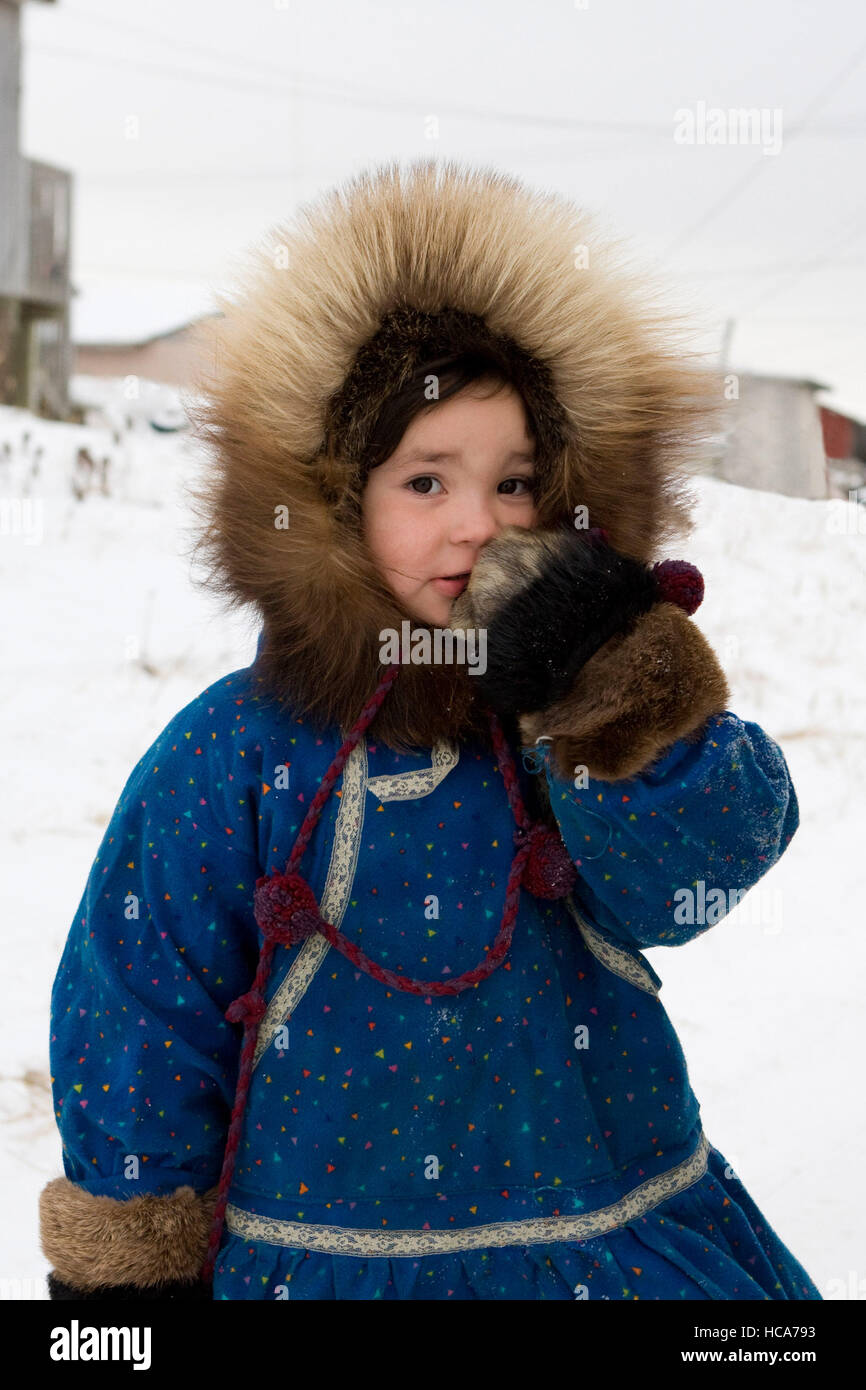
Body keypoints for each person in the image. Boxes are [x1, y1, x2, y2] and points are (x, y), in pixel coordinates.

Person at [39, 158, 821, 1301]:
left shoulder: (564, 718)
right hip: (321, 1262)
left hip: (605, 1240)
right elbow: (141, 999)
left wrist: (617, 683)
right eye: (423, 482)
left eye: (515, 484)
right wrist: (129, 1260)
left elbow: (693, 874)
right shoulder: (237, 749)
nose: (476, 524)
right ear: (333, 503)